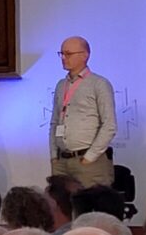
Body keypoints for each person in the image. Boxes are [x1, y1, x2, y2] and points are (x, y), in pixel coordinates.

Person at [50, 36, 116, 187]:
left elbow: (109, 125)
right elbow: (54, 122)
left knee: (90, 200)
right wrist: (54, 156)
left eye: (68, 53)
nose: (63, 58)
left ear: (84, 55)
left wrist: (89, 157)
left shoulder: (99, 84)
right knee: (60, 200)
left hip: (87, 161)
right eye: (61, 53)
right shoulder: (61, 85)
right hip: (61, 161)